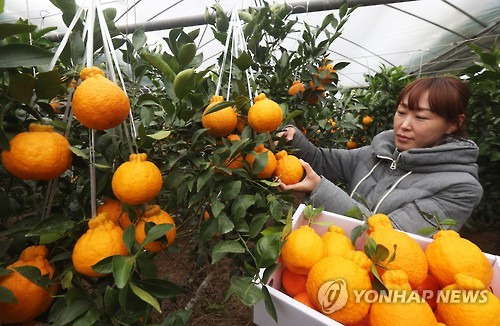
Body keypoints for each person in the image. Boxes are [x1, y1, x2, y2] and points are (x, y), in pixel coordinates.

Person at [278, 76, 483, 234]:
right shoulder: (379, 153)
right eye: (401, 112)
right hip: (336, 254)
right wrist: (294, 138)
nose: (404, 125)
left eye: (420, 117)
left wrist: (320, 189)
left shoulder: (460, 188)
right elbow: (321, 161)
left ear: (453, 124)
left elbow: (389, 238)